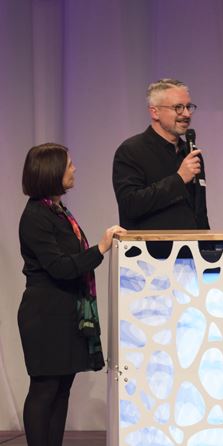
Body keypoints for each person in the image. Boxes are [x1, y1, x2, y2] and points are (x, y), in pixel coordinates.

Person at [18, 143, 125, 446]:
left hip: (66, 311)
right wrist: (101, 248)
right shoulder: (36, 216)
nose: (74, 169)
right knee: (45, 389)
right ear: (51, 171)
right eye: (68, 165)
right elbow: (60, 267)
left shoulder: (58, 210)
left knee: (62, 389)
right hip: (45, 315)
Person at [112, 78, 209, 230]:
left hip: (192, 244)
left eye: (188, 107)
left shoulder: (190, 153)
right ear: (155, 112)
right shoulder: (131, 151)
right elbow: (130, 205)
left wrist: (206, 241)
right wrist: (179, 179)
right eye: (178, 107)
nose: (186, 114)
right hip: (150, 245)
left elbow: (199, 212)